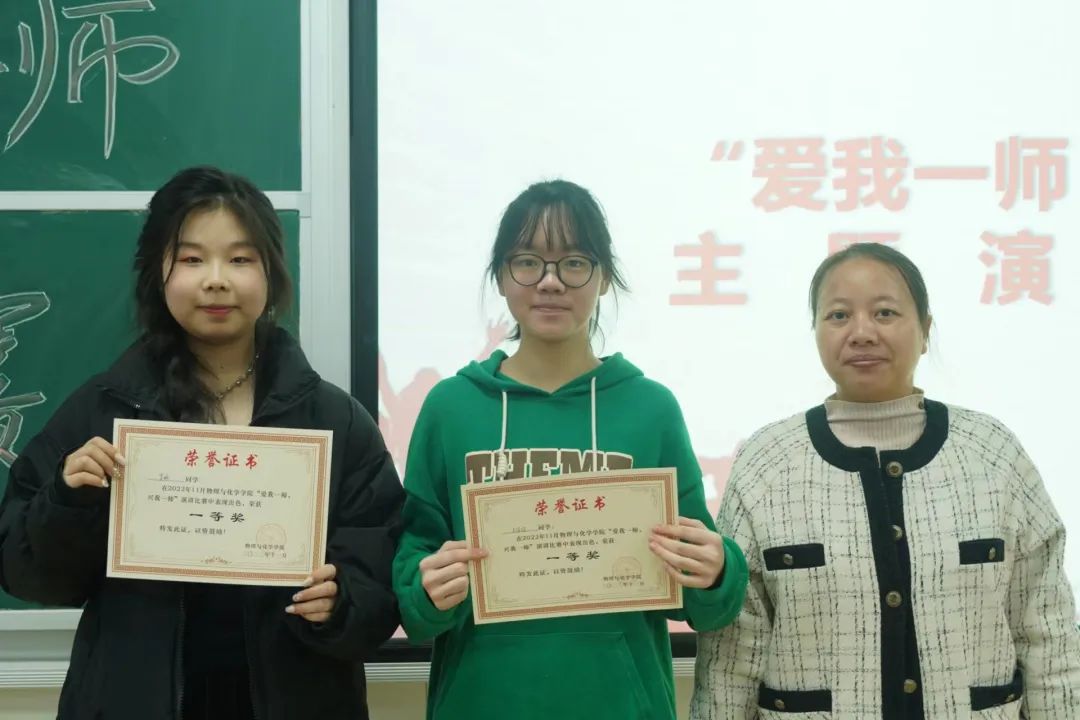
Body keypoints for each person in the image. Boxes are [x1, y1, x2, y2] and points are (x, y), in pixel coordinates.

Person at [0, 166, 404, 720]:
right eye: (191, 259)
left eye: (240, 259)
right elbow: (25, 572)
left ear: (271, 272)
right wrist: (67, 500)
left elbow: (382, 579)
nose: (216, 280)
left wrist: (341, 603)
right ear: (157, 272)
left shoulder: (336, 422)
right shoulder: (105, 409)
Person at [392, 179, 749, 720]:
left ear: (603, 277)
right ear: (501, 277)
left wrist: (717, 569)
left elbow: (706, 602)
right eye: (527, 262)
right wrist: (424, 588)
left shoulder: (650, 408)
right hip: (481, 700)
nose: (551, 281)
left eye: (574, 263)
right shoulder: (451, 407)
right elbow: (414, 566)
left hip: (621, 705)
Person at [691, 242, 1080, 719]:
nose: (862, 333)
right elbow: (732, 655)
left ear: (925, 331)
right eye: (838, 316)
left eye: (885, 313)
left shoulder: (993, 453)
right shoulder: (767, 464)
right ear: (815, 331)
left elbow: (1048, 635)